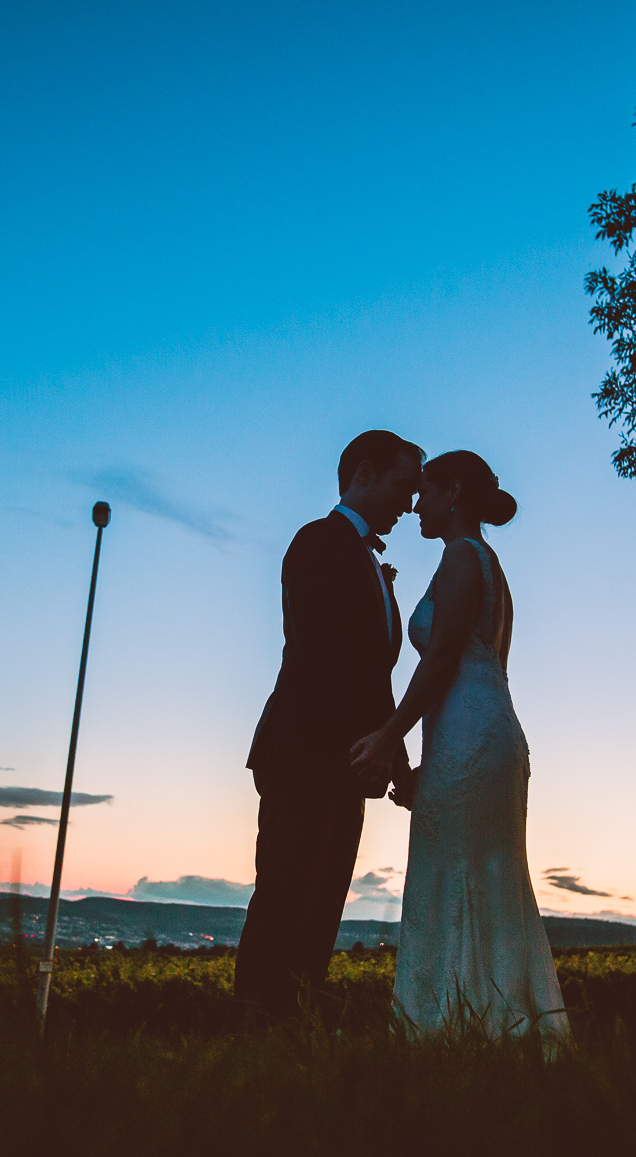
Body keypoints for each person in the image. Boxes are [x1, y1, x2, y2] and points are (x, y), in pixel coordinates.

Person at [350, 451, 569, 1044]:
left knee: (457, 872)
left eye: (424, 491)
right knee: (487, 872)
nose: (416, 504)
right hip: (485, 728)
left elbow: (444, 659)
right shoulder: (489, 564)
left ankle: (453, 1029)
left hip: (470, 737)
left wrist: (388, 735)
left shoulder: (459, 559)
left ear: (452, 492)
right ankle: (501, 1023)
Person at [237, 430, 423, 1021]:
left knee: (321, 910)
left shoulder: (370, 561)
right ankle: (257, 1030)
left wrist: (392, 756)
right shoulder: (317, 542)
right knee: (285, 902)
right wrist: (362, 749)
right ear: (363, 474)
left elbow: (373, 672)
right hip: (303, 756)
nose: (410, 503)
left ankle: (294, 1033)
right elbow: (320, 657)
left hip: (343, 764)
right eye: (403, 486)